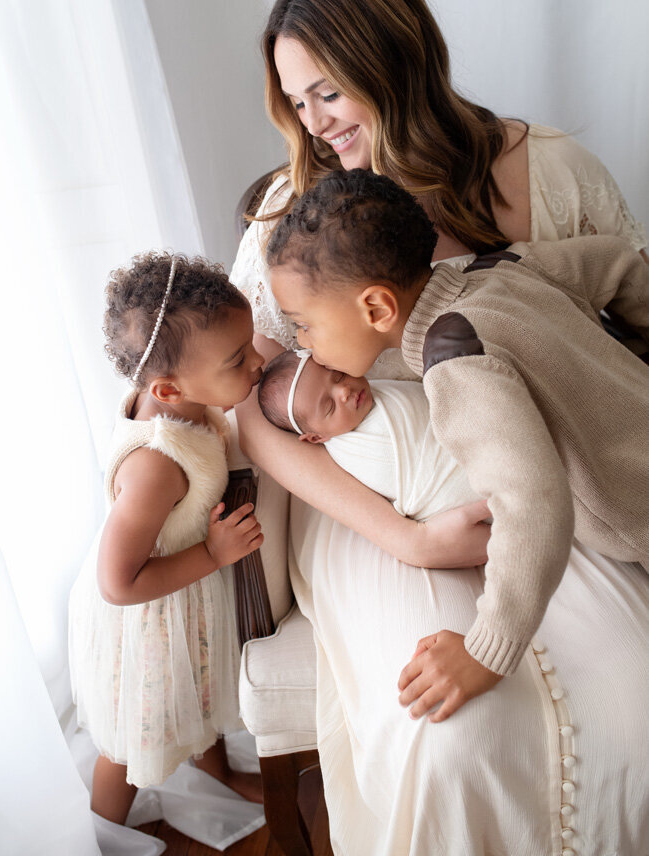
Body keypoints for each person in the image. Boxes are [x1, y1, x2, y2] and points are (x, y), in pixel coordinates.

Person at [230, 0, 649, 854]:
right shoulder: (291, 217)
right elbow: (250, 413)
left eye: (329, 92)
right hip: (382, 510)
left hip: (551, 489)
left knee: (634, 704)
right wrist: (406, 538)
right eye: (295, 100)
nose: (313, 122)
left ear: (394, 57)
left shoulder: (545, 173)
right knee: (451, 739)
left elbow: (621, 281)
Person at [267, 167, 649, 717]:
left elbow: (533, 505)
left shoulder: (458, 365)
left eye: (304, 325)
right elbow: (616, 260)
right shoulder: (501, 268)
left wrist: (485, 652)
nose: (302, 343)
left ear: (376, 309)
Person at [69, 252, 265, 826]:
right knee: (136, 728)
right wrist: (211, 553)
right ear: (168, 391)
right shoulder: (156, 463)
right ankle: (103, 829)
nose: (256, 363)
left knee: (195, 694)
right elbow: (117, 582)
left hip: (185, 606)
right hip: (146, 618)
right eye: (238, 359)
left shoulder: (181, 403)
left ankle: (217, 770)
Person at [257, 349, 484, 531]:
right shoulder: (357, 452)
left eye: (339, 376)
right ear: (317, 437)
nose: (344, 391)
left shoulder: (372, 394)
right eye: (329, 406)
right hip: (455, 489)